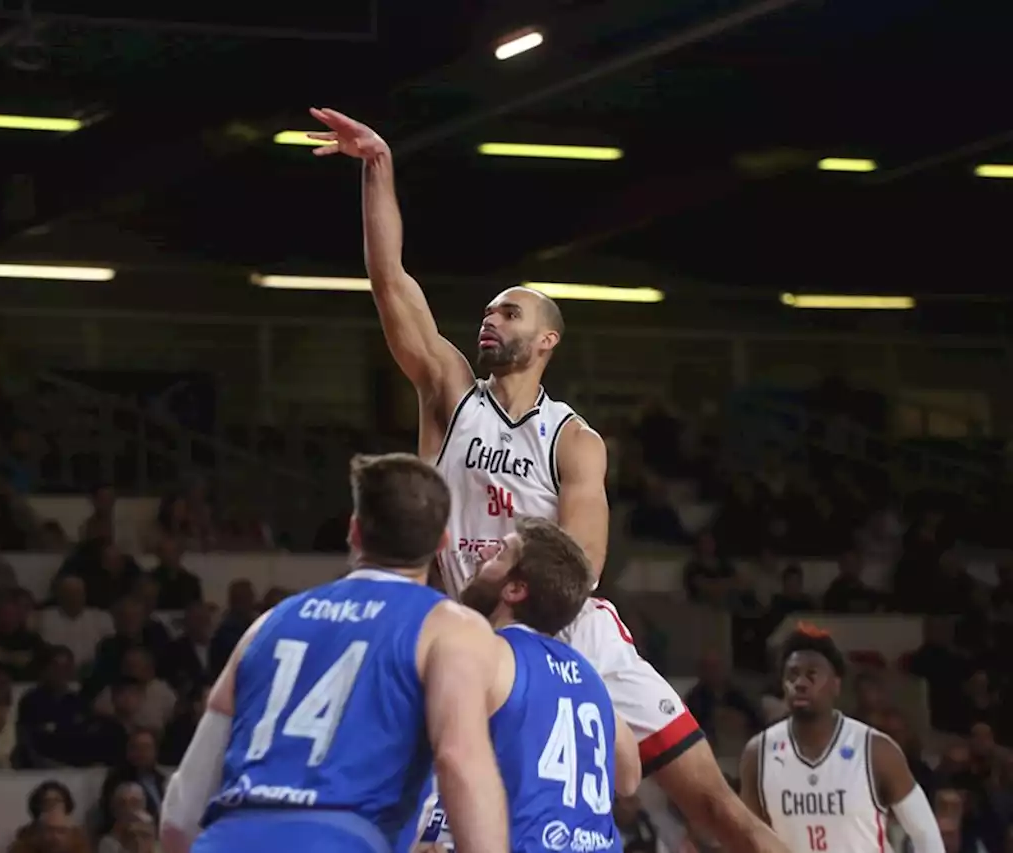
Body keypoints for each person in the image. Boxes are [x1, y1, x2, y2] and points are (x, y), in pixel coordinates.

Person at [307, 106, 787, 853]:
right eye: (489, 308)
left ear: (548, 338)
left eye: (510, 310)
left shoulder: (574, 438)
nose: (489, 318)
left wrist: (514, 608)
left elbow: (580, 564)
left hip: (570, 629)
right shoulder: (449, 392)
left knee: (716, 810)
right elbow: (389, 280)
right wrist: (378, 168)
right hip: (474, 631)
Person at [159, 453, 508, 853]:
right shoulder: (450, 627)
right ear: (442, 542)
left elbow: (181, 811)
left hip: (229, 837)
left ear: (355, 532)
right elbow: (459, 760)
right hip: (340, 837)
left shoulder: (266, 624)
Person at [410, 516, 642, 853]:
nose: (483, 551)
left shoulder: (485, 652)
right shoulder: (589, 676)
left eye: (500, 552)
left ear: (515, 590)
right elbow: (629, 778)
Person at [738, 625, 944, 853]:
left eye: (812, 675)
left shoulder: (876, 749)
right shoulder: (759, 752)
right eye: (792, 675)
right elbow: (748, 837)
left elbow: (926, 834)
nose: (801, 683)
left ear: (836, 685)